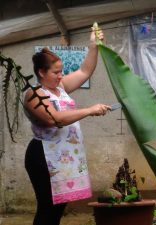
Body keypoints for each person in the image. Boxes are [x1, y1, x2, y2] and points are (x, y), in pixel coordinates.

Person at [24, 28, 111, 225]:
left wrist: (93, 45)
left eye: (61, 71)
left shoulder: (59, 89)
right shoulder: (34, 94)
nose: (60, 76)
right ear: (41, 72)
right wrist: (89, 110)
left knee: (58, 208)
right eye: (56, 72)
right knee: (47, 207)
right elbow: (53, 119)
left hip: (62, 156)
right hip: (43, 156)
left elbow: (85, 71)